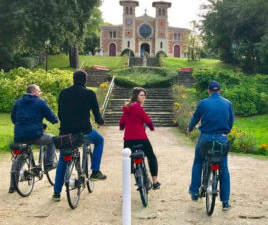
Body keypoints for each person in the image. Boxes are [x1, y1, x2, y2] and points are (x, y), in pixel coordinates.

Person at [53, 70, 106, 202]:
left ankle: (56, 193)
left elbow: (60, 114)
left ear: (73, 79)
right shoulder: (89, 93)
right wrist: (100, 122)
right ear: (85, 81)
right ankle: (95, 171)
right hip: (83, 132)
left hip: (66, 133)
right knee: (99, 141)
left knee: (63, 160)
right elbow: (97, 115)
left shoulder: (63, 93)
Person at [187, 80, 234, 211]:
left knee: (198, 162)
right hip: (221, 139)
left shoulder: (203, 103)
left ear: (209, 91)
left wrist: (190, 128)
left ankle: (195, 192)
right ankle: (225, 202)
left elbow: (195, 118)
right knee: (223, 168)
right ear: (220, 90)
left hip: (205, 138)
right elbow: (231, 121)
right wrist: (226, 132)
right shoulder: (228, 103)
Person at [9, 84, 58, 193]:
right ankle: (49, 163)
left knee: (20, 156)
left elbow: (13, 118)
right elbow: (52, 117)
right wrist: (55, 121)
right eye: (39, 91)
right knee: (53, 139)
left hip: (19, 136)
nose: (40, 94)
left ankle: (13, 186)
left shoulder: (18, 102)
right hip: (35, 135)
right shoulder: (40, 102)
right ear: (34, 92)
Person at [119, 87, 160, 190]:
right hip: (141, 138)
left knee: (128, 161)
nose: (144, 97)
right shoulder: (137, 107)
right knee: (151, 156)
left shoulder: (127, 107)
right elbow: (147, 119)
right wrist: (151, 127)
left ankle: (133, 179)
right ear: (136, 96)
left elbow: (122, 123)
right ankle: (155, 182)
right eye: (142, 95)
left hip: (128, 140)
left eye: (144, 95)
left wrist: (122, 127)